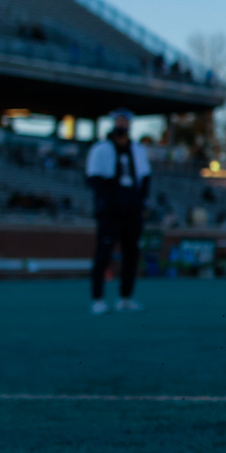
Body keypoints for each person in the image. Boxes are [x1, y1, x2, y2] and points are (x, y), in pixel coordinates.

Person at [84, 110, 149, 314]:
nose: (123, 125)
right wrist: (109, 201)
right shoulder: (101, 148)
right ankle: (98, 298)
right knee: (104, 253)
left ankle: (126, 297)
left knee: (132, 254)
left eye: (126, 121)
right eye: (119, 121)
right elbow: (94, 178)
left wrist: (140, 202)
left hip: (132, 210)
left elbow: (146, 178)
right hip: (110, 211)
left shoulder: (137, 149)